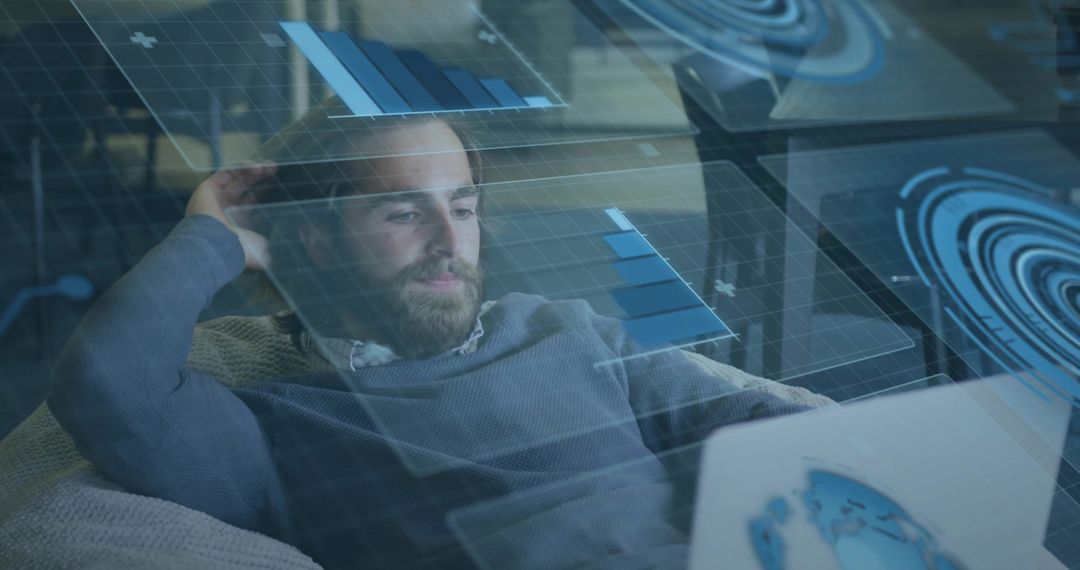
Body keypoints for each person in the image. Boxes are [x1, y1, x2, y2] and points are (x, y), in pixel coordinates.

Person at [48, 117, 814, 570]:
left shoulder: (564, 327)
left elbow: (749, 423)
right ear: (313, 236)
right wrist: (210, 238)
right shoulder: (283, 423)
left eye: (464, 207)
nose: (451, 242)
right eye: (402, 214)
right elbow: (107, 383)